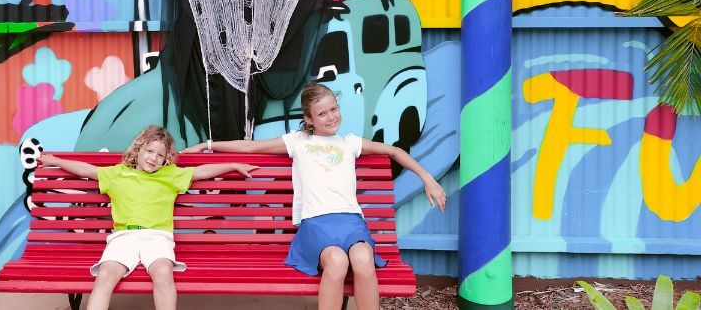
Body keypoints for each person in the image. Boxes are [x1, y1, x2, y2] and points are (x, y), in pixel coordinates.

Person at [182, 83, 447, 310]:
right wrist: (207, 145)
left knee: (363, 259)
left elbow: (393, 152)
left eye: (334, 109)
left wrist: (428, 179)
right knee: (337, 261)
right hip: (316, 224)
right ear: (309, 119)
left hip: (351, 222)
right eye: (322, 113)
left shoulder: (350, 142)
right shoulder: (298, 141)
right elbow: (252, 145)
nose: (331, 117)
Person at [40, 126, 258, 310]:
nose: (153, 158)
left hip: (157, 237)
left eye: (160, 155)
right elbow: (86, 169)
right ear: (138, 149)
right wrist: (55, 160)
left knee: (163, 272)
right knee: (105, 275)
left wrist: (233, 165)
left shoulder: (170, 175)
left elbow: (201, 171)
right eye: (149, 150)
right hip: (123, 237)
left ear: (166, 159)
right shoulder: (117, 174)